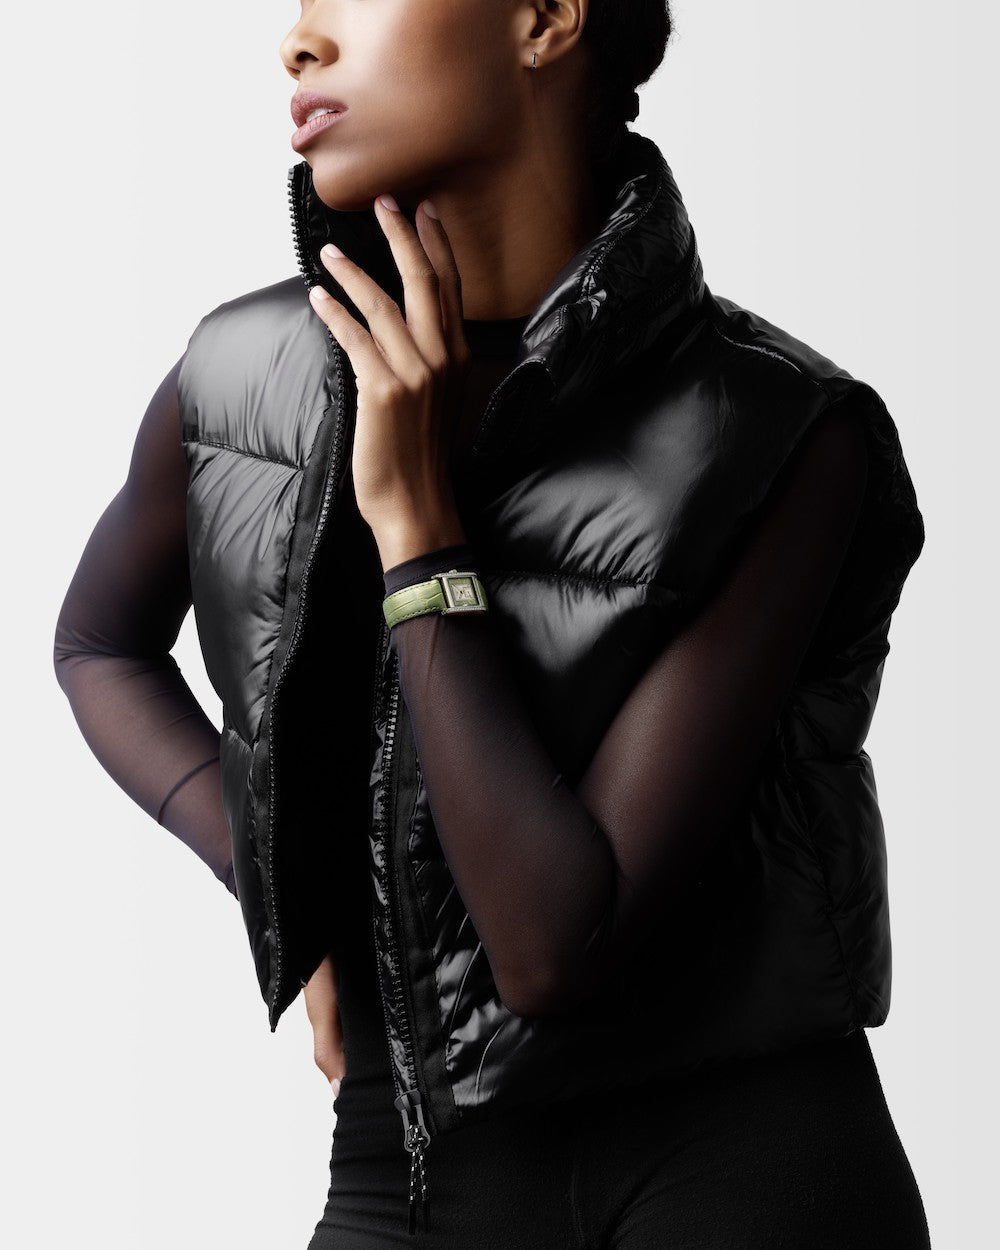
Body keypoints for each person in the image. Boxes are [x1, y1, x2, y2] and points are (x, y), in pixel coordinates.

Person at [53, 1, 933, 1246]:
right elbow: (98, 647)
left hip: (743, 1164)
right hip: (407, 1164)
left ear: (545, 18)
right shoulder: (240, 370)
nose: (300, 42)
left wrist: (418, 529)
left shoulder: (776, 430)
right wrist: (289, 883)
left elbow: (555, 949)